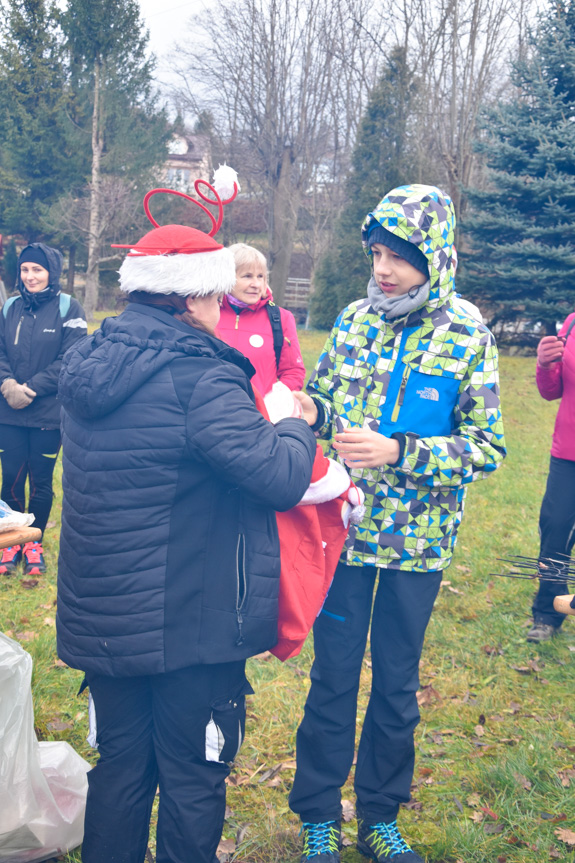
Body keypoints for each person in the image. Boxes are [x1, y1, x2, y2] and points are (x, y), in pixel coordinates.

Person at [56, 206, 316, 863]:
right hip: (189, 626)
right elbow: (280, 476)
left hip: (106, 616)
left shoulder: (86, 362)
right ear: (195, 296)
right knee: (192, 778)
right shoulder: (202, 377)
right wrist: (291, 418)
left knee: (119, 770)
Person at [289, 184, 506, 863]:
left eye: (399, 256)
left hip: (417, 548)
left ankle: (380, 815)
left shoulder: (467, 333)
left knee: (394, 681)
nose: (383, 268)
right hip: (344, 535)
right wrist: (305, 408)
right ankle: (319, 813)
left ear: (433, 257)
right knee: (332, 676)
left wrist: (401, 451)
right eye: (377, 253)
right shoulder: (354, 320)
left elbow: (486, 445)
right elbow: (324, 400)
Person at [0, 243, 86, 576]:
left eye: (37, 269)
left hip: (48, 413)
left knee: (41, 483)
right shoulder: (9, 307)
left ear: (52, 271)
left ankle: (32, 543)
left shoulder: (69, 307)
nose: (30, 276)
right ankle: (10, 542)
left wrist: (33, 388)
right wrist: (7, 384)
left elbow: (72, 357)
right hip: (9, 409)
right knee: (10, 480)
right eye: (25, 269)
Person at [526, 313, 575, 642]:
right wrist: (545, 365)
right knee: (555, 529)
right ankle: (548, 612)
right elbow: (550, 390)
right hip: (568, 452)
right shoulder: (571, 323)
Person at [216, 242, 305, 395]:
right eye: (247, 276)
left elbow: (293, 372)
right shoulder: (207, 315)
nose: (256, 284)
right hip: (212, 413)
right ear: (227, 277)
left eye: (260, 277)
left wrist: (274, 402)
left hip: (259, 415)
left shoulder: (280, 319)